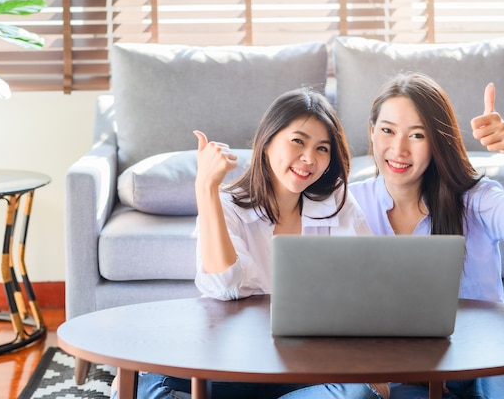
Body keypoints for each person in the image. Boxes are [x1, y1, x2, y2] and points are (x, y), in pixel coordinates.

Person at [114, 87, 389, 399]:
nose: (309, 158)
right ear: (268, 140)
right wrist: (205, 187)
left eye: (322, 149)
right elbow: (224, 286)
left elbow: (369, 292)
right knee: (141, 383)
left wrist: (370, 366)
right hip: (235, 362)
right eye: (298, 141)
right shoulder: (228, 204)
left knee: (362, 393)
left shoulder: (337, 201)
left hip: (309, 368)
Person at [347, 72, 504, 399]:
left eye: (417, 135)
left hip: (489, 359)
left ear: (437, 141)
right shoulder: (350, 206)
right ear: (372, 131)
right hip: (406, 374)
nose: (398, 149)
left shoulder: (473, 200)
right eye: (387, 131)